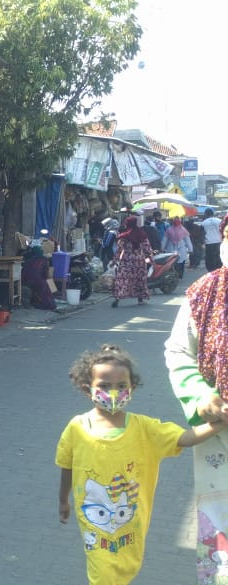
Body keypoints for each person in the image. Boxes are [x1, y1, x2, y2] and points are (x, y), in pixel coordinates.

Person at [57, 345, 223, 585]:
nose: (113, 392)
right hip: (95, 525)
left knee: (126, 568)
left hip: (132, 526)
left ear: (131, 388)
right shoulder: (76, 428)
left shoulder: (145, 428)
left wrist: (218, 424)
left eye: (121, 385)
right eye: (104, 385)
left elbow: (185, 438)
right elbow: (66, 465)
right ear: (87, 389)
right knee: (102, 574)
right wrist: (64, 500)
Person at [164, 216, 228, 582]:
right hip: (217, 432)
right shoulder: (202, 293)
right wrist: (202, 396)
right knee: (219, 535)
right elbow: (179, 352)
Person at [111, 216, 152, 308]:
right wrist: (151, 258)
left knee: (123, 280)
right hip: (139, 261)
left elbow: (118, 251)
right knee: (140, 280)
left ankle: (117, 299)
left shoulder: (124, 236)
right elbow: (147, 249)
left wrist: (114, 261)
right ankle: (140, 300)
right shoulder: (142, 235)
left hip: (126, 261)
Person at [21, 245, 56, 310]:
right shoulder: (44, 260)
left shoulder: (27, 260)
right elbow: (48, 276)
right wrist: (53, 290)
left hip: (25, 282)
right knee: (48, 284)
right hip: (38, 283)